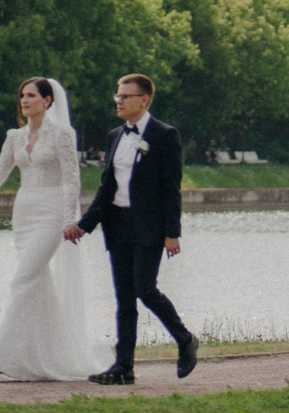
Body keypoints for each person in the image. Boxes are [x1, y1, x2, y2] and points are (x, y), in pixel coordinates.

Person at [0, 77, 104, 381]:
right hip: (24, 213)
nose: (25, 100)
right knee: (37, 284)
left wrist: (68, 219)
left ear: (47, 101)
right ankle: (47, 359)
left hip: (51, 212)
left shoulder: (63, 134)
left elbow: (72, 179)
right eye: (22, 95)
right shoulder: (14, 137)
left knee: (23, 279)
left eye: (32, 95)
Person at [65, 73, 198, 385]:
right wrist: (84, 226)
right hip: (118, 225)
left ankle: (185, 339)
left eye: (125, 96)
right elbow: (106, 189)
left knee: (145, 289)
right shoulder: (115, 136)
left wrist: (172, 232)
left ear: (144, 100)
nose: (118, 101)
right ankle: (123, 367)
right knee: (124, 298)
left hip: (149, 227)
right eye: (117, 95)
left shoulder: (165, 135)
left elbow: (171, 188)